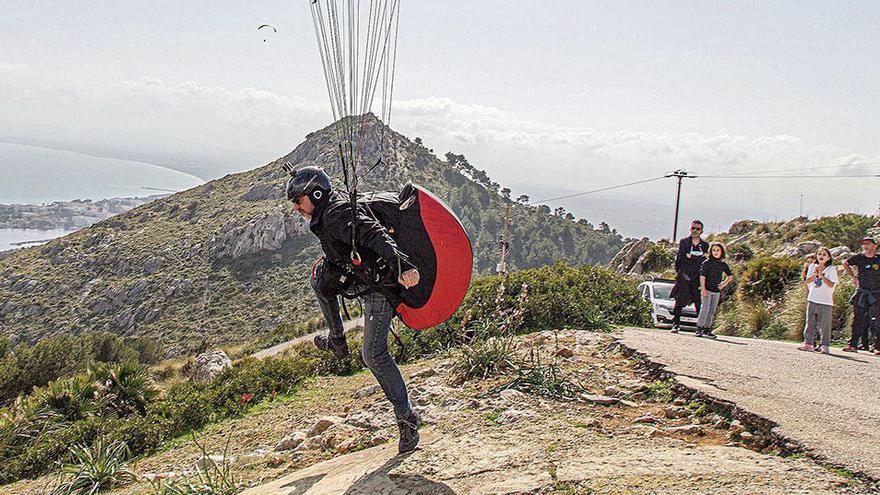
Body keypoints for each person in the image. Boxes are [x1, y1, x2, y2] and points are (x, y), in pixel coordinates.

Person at [286, 166, 422, 453]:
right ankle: (337, 339)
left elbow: (374, 234)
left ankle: (407, 418)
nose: (297, 207)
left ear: (316, 194)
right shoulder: (326, 216)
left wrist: (402, 264)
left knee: (373, 353)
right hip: (359, 276)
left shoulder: (336, 214)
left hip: (379, 287)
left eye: (299, 200)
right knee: (319, 281)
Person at [842, 236, 880, 355]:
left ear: (875, 246)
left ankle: (877, 346)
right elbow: (845, 263)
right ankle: (852, 344)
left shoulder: (878, 259)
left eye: (868, 243)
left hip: (876, 293)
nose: (865, 246)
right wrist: (853, 276)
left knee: (877, 320)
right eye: (863, 244)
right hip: (862, 292)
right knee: (857, 319)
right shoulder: (859, 258)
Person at [670, 220, 709, 333]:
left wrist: (691, 257)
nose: (695, 231)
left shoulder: (705, 245)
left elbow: (704, 261)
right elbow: (681, 258)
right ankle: (676, 324)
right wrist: (697, 258)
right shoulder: (684, 242)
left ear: (701, 231)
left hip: (697, 279)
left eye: (697, 229)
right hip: (684, 276)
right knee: (679, 302)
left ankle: (701, 327)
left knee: (699, 303)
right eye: (693, 228)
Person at [797, 248, 838, 354]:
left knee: (825, 324)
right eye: (819, 254)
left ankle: (824, 345)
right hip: (813, 298)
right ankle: (808, 343)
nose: (821, 256)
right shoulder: (812, 267)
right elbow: (807, 281)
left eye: (824, 254)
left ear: (828, 257)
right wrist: (815, 274)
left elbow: (831, 284)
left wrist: (822, 276)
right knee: (810, 322)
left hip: (826, 301)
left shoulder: (831, 269)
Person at [695, 242, 732, 338]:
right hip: (707, 289)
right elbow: (702, 277)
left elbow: (730, 276)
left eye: (718, 250)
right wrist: (703, 289)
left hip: (716, 291)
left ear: (721, 252)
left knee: (712, 310)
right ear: (711, 251)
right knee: (705, 308)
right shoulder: (706, 263)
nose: (716, 252)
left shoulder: (723, 264)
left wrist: (723, 285)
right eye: (714, 250)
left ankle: (707, 329)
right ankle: (699, 328)